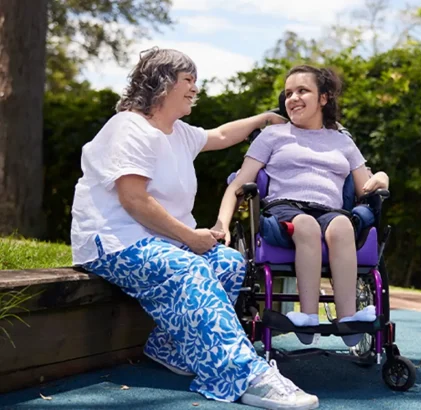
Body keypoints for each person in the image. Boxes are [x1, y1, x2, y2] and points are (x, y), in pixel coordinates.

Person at [70, 47, 319, 410]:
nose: (194, 88)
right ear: (162, 83)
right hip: (114, 242)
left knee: (229, 264)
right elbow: (134, 200)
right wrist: (189, 237)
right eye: (188, 80)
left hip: (158, 241)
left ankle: (166, 347)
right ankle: (244, 374)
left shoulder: (177, 132)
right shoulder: (129, 127)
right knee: (191, 267)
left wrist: (263, 119)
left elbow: (218, 136)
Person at [214, 65, 389, 347]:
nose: (292, 98)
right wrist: (221, 224)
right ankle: (308, 316)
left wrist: (382, 177)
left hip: (331, 212)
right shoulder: (273, 136)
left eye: (302, 91)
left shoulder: (342, 141)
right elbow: (238, 184)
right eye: (288, 93)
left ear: (324, 98)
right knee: (305, 225)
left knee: (344, 225)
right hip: (284, 209)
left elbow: (366, 185)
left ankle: (348, 317)